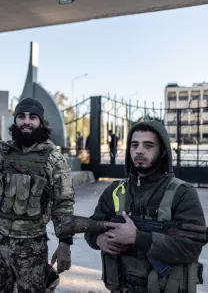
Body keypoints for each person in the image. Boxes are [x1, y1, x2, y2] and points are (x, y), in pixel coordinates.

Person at [0, 97, 75, 293]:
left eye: (33, 117)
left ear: (41, 122)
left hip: (31, 247)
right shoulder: (2, 151)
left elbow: (64, 204)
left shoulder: (54, 158)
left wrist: (65, 244)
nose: (26, 121)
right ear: (15, 121)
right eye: (21, 116)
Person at [84, 120, 206, 293]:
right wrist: (99, 240)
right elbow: (92, 225)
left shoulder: (182, 193)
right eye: (134, 145)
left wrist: (138, 238)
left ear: (163, 151)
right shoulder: (116, 191)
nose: (139, 150)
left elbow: (192, 246)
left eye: (148, 145)